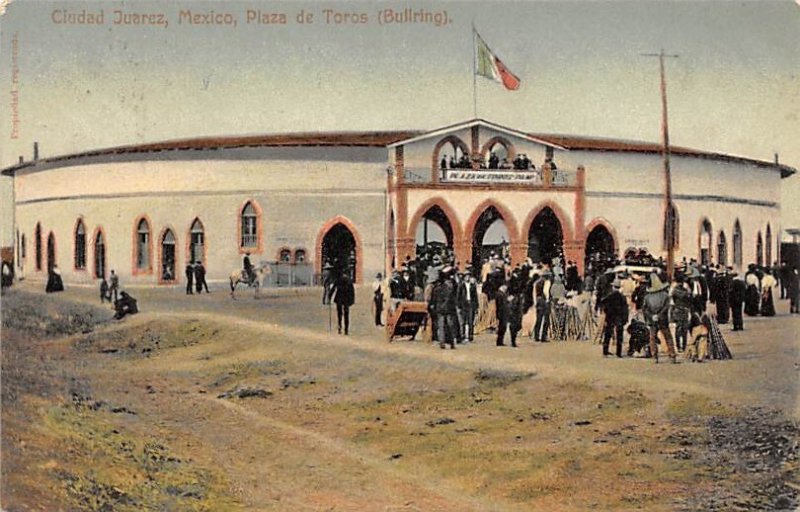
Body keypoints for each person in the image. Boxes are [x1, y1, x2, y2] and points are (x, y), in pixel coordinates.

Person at [643, 273, 677, 364]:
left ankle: (654, 356)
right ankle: (672, 355)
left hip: (652, 320)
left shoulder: (647, 297)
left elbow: (645, 309)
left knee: (652, 338)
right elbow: (667, 307)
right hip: (663, 319)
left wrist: (652, 316)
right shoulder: (665, 295)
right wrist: (659, 315)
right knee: (668, 337)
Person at [600, 279, 628, 357]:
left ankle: (605, 351)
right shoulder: (622, 297)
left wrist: (606, 312)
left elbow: (603, 304)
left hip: (610, 316)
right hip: (619, 317)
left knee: (608, 334)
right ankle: (618, 353)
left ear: (613, 287)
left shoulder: (609, 296)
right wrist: (625, 319)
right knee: (619, 335)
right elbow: (625, 309)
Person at [670, 276, 693, 352]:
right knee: (685, 329)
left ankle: (678, 346)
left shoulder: (674, 291)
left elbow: (672, 299)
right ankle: (684, 346)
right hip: (685, 310)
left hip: (677, 310)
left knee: (678, 329)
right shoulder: (686, 291)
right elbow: (690, 300)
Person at [457, 272, 479, 342]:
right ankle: (462, 335)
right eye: (466, 277)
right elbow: (458, 296)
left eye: (469, 277)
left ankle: (470, 336)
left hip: (471, 304)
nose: (468, 278)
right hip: (464, 304)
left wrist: (476, 306)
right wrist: (459, 305)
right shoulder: (461, 286)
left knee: (470, 321)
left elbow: (475, 297)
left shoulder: (472, 286)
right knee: (463, 321)